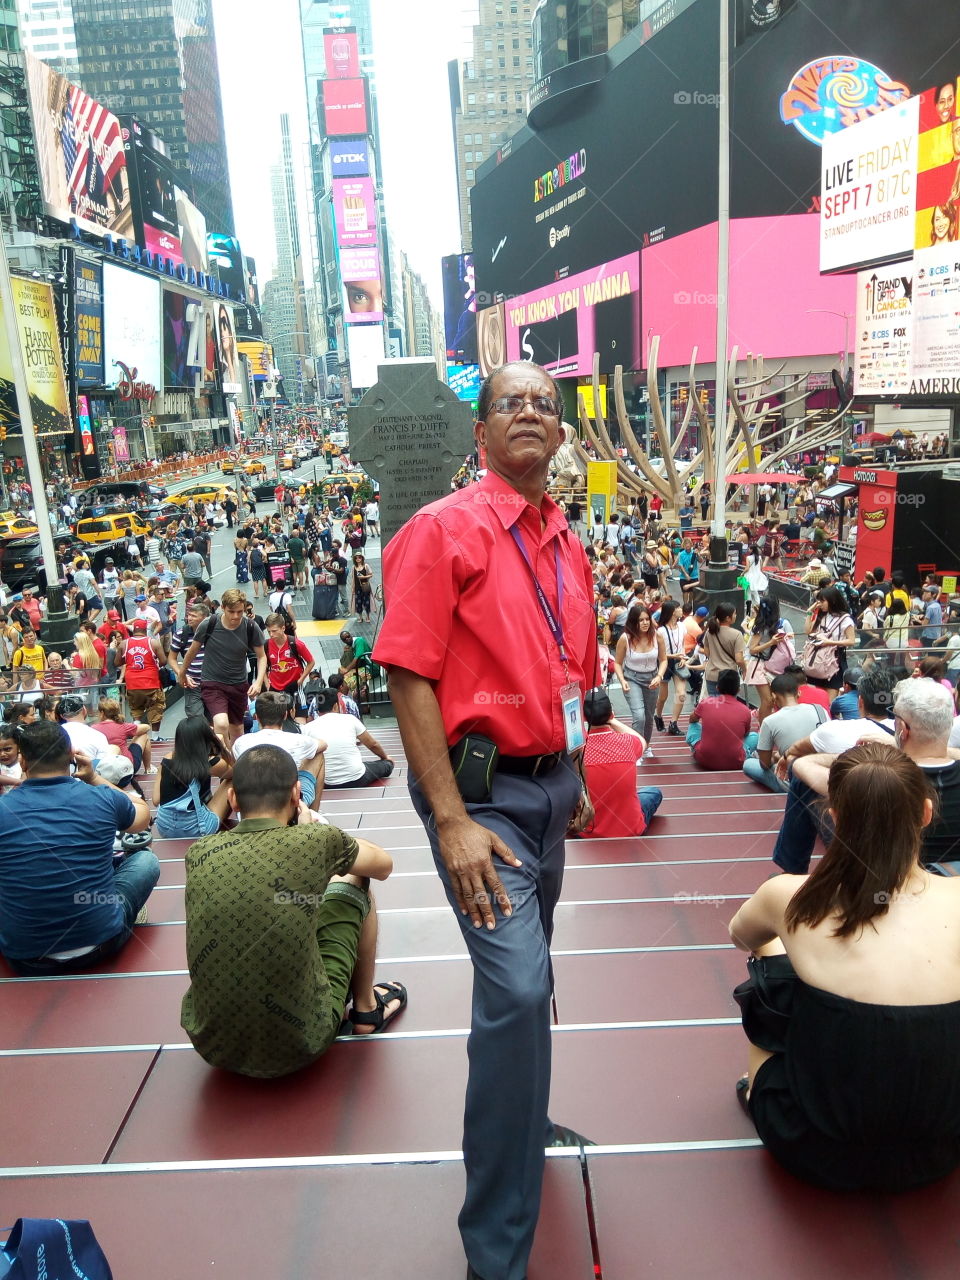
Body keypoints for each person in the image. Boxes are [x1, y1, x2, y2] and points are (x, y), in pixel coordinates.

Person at [372, 361, 599, 1280]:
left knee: (528, 977)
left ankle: (525, 1117)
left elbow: (571, 668)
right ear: (481, 429)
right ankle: (496, 1252)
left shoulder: (564, 539)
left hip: (551, 789)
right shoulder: (444, 529)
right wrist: (449, 815)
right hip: (482, 800)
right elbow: (406, 669)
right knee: (513, 990)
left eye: (547, 403)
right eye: (513, 403)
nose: (533, 414)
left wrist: (575, 766)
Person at [729, 741, 960, 1192]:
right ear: (926, 814)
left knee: (771, 965)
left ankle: (758, 1088)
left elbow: (742, 936)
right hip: (940, 1148)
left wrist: (795, 945)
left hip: (812, 1146)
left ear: (833, 821)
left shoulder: (788, 894)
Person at [180, 744, 405, 1077]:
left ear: (233, 800)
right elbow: (383, 865)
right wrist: (314, 832)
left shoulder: (198, 852)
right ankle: (366, 1011)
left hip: (212, 1044)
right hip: (303, 1041)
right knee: (357, 878)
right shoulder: (317, 839)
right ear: (297, 793)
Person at [0, 720, 156, 975]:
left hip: (23, 956)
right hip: (101, 943)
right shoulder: (101, 798)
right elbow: (142, 817)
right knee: (145, 861)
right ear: (72, 757)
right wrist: (94, 777)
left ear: (24, 762)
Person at [177, 589, 266, 749]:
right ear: (223, 608)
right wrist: (182, 673)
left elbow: (262, 656)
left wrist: (258, 682)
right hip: (213, 683)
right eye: (231, 612)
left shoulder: (250, 627)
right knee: (221, 723)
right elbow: (192, 650)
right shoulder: (209, 624)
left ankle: (236, 764)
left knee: (237, 728)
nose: (235, 616)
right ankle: (225, 758)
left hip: (238, 684)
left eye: (240, 612)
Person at [579, 687, 662, 836]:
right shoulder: (628, 742)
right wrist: (612, 720)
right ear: (611, 713)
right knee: (653, 793)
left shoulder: (578, 750)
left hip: (588, 829)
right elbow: (642, 741)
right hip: (630, 827)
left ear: (584, 718)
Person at [234, 691, 326, 808]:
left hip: (251, 803)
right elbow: (323, 744)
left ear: (256, 716)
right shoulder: (299, 741)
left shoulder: (240, 742)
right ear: (285, 715)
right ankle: (311, 815)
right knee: (318, 755)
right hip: (289, 803)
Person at [153, 715, 234, 838]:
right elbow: (235, 771)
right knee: (232, 781)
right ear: (206, 737)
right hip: (197, 828)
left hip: (165, 828)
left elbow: (156, 800)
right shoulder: (209, 762)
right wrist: (220, 744)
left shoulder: (166, 760)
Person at [744, 673, 828, 792]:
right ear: (798, 693)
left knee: (748, 764)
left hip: (793, 782)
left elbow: (764, 764)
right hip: (822, 777)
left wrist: (777, 757)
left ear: (773, 696)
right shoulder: (820, 710)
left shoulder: (769, 721)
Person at [305, 687, 393, 788]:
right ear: (335, 706)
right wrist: (385, 757)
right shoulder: (350, 719)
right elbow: (373, 745)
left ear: (317, 707)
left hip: (326, 783)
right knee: (387, 764)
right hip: (357, 778)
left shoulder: (308, 728)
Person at [614, 605, 666, 755]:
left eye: (647, 619)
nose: (644, 623)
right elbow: (617, 662)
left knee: (649, 716)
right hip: (632, 678)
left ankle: (646, 746)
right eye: (640, 620)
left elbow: (663, 660)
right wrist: (622, 680)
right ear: (633, 622)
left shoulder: (657, 636)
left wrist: (659, 676)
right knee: (639, 716)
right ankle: (636, 751)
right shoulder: (626, 638)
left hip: (652, 678)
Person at [686, 668, 758, 769]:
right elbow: (745, 734)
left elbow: (692, 720)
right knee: (755, 736)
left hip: (704, 759)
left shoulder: (706, 702)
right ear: (738, 690)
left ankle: (695, 748)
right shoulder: (745, 710)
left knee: (694, 726)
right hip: (736, 762)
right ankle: (748, 755)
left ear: (717, 688)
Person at [746, 596, 795, 724]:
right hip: (759, 665)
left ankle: (763, 719)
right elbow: (752, 649)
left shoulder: (782, 623)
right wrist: (771, 642)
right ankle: (763, 729)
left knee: (773, 700)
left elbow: (792, 642)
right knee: (767, 700)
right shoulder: (760, 626)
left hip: (775, 665)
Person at [119, 619, 170, 740]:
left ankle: (136, 735)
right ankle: (155, 737)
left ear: (134, 630)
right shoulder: (153, 643)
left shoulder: (124, 643)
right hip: (151, 681)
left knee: (136, 710)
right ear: (145, 630)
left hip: (132, 683)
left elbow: (117, 662)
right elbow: (163, 661)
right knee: (156, 708)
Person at [653, 599, 688, 736]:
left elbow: (683, 644)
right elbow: (658, 654)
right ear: (673, 612)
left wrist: (683, 657)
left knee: (681, 694)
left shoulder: (682, 626)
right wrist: (674, 656)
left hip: (679, 662)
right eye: (678, 608)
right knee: (663, 696)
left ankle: (674, 723)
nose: (681, 610)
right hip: (665, 663)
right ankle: (658, 715)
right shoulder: (660, 631)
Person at [169, 601, 209, 720]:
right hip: (193, 684)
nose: (189, 618)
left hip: (213, 684)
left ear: (204, 618)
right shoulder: (182, 633)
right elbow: (171, 658)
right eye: (189, 615)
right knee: (196, 718)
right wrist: (182, 674)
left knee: (215, 720)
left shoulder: (214, 633)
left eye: (194, 616)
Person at [264, 612, 314, 707]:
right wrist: (267, 684)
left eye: (274, 631)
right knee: (279, 717)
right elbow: (262, 665)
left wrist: (301, 679)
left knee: (300, 717)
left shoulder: (296, 644)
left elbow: (311, 662)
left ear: (283, 628)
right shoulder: (266, 645)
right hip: (275, 687)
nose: (271, 634)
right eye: (269, 631)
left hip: (294, 686)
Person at [97, 697, 153, 777]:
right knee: (143, 735)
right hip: (127, 768)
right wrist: (132, 731)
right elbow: (147, 727)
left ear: (102, 713)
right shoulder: (123, 726)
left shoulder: (93, 728)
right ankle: (148, 769)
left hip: (103, 769)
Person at [702, 602, 746, 696]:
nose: (736, 615)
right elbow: (739, 659)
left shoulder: (710, 632)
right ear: (727, 618)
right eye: (734, 613)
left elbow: (706, 652)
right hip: (728, 676)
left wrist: (716, 658)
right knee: (728, 706)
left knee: (714, 705)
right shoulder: (737, 634)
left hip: (711, 674)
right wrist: (745, 670)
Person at [352, 552, 373, 623]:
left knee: (367, 602)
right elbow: (353, 579)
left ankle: (368, 617)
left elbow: (371, 574)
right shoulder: (353, 567)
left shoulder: (366, 566)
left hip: (365, 586)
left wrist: (363, 577)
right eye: (356, 558)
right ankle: (360, 617)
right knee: (358, 603)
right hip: (357, 588)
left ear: (362, 558)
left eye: (359, 557)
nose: (358, 559)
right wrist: (353, 588)